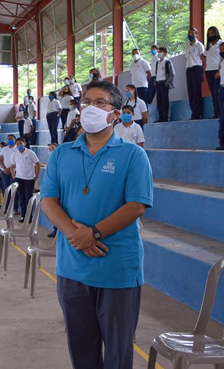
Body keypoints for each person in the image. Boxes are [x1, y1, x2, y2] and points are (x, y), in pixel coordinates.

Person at [41, 79, 153, 369]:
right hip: (72, 268)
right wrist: (76, 235)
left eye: (100, 102)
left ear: (116, 113)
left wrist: (95, 233)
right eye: (86, 102)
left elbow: (136, 205)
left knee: (118, 353)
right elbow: (48, 201)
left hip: (117, 270)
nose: (90, 108)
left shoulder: (133, 155)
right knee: (82, 350)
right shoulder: (61, 155)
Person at [10, 137, 40, 221]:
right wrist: (14, 176)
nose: (19, 145)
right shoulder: (14, 154)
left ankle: (30, 216)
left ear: (25, 143)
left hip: (29, 178)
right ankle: (24, 216)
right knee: (21, 198)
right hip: (19, 178)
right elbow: (12, 166)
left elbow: (37, 164)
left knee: (28, 197)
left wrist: (36, 175)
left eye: (21, 143)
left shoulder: (30, 153)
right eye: (17, 144)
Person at [185, 28, 206, 120]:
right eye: (189, 33)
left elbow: (203, 59)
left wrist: (203, 72)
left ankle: (198, 113)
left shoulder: (199, 45)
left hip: (196, 68)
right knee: (191, 92)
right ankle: (193, 112)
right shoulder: (187, 47)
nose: (190, 35)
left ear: (196, 34)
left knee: (196, 91)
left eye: (192, 33)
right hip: (188, 69)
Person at [204, 26, 224, 119]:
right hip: (208, 71)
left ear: (216, 33)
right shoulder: (208, 45)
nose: (211, 35)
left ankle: (221, 113)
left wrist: (219, 71)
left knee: (217, 93)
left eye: (212, 33)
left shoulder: (221, 43)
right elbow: (204, 56)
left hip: (217, 70)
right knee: (213, 94)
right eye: (209, 33)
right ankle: (216, 113)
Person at [153, 46, 175, 123]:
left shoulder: (167, 62)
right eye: (158, 52)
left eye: (160, 52)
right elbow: (156, 73)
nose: (158, 53)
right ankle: (160, 116)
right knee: (159, 101)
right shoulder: (157, 63)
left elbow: (172, 74)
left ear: (165, 54)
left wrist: (167, 83)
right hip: (158, 83)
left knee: (164, 101)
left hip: (164, 83)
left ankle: (165, 117)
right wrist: (155, 81)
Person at [0, 134, 18, 209]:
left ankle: (15, 207)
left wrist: (10, 169)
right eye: (9, 139)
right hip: (4, 172)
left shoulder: (17, 149)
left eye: (12, 139)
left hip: (14, 171)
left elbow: (17, 161)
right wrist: (4, 168)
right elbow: (1, 160)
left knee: (14, 189)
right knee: (6, 189)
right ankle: (6, 206)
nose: (10, 140)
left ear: (15, 139)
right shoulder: (4, 149)